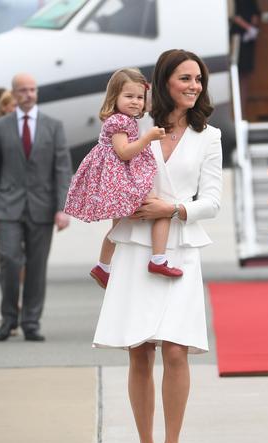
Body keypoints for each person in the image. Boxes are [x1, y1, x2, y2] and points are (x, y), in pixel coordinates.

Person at [92, 49, 222, 443]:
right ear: (164, 81)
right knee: (139, 351)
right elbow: (110, 175)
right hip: (134, 246)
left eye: (199, 80)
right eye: (185, 78)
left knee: (175, 351)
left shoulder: (209, 136)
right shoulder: (134, 128)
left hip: (179, 248)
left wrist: (174, 208)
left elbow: (213, 201)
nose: (194, 86)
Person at [63, 68, 180, 289]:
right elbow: (124, 152)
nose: (135, 102)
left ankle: (103, 267)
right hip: (120, 178)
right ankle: (158, 259)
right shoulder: (120, 121)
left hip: (117, 176)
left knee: (118, 227)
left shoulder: (123, 119)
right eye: (129, 96)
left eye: (139, 97)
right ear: (114, 96)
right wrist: (149, 137)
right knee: (162, 209)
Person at [0, 73, 72, 342]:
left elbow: (62, 170)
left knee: (36, 266)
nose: (28, 94)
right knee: (9, 260)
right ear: (14, 93)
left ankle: (31, 321)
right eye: (23, 90)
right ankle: (9, 319)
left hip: (42, 208)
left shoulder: (53, 126)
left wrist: (62, 208)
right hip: (7, 207)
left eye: (32, 89)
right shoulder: (0, 127)